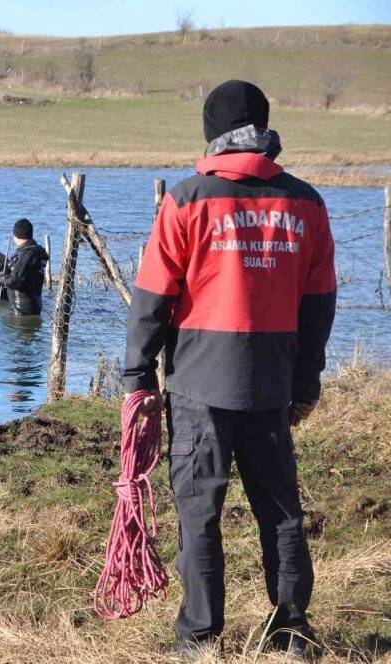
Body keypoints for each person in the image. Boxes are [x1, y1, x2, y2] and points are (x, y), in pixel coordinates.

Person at [123, 80, 336, 660]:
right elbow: (319, 307)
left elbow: (151, 297)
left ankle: (199, 638)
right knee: (281, 510)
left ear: (212, 135)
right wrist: (306, 384)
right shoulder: (307, 204)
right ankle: (292, 630)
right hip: (273, 384)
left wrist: (137, 377)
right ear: (265, 132)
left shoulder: (188, 200)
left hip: (198, 385)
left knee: (199, 512)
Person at [0, 218, 48, 316]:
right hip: (34, 304)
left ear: (16, 235)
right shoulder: (38, 251)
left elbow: (15, 281)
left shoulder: (26, 254)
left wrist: (2, 278)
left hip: (22, 309)